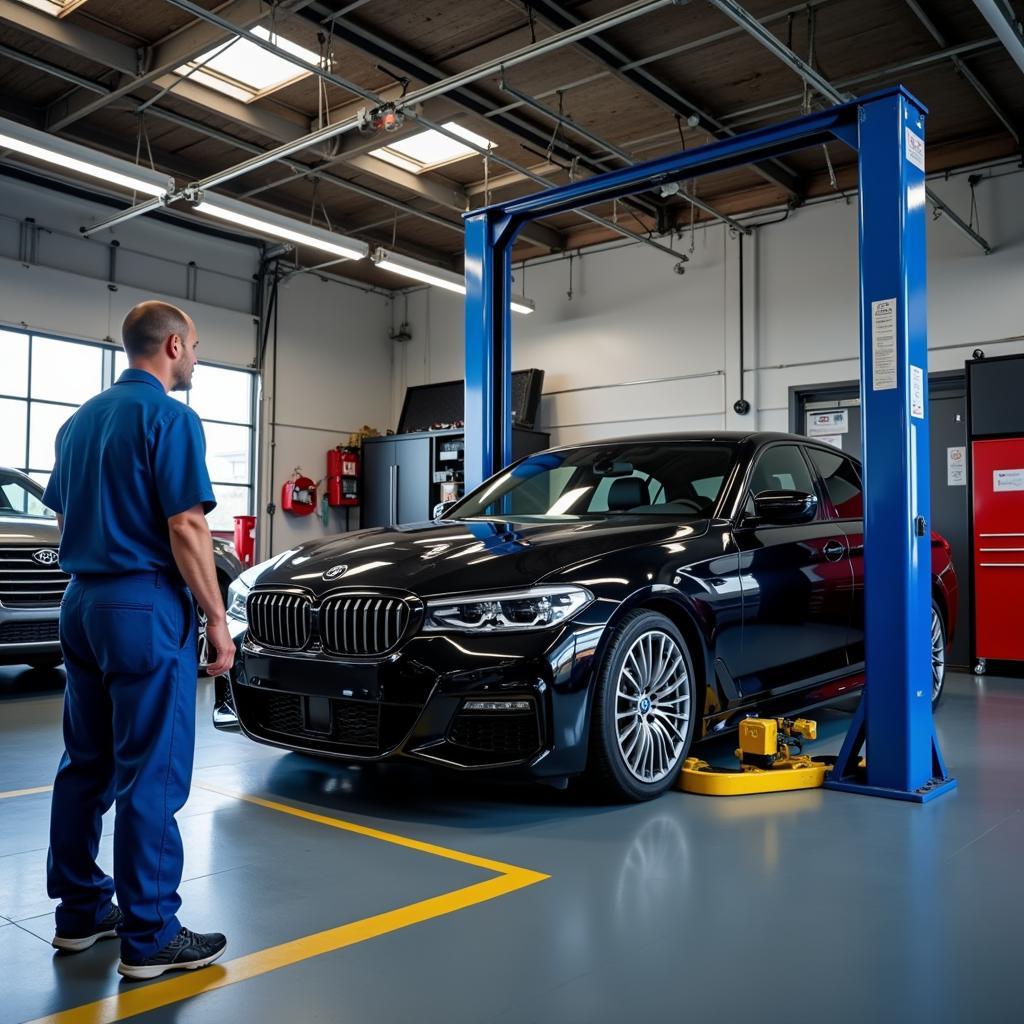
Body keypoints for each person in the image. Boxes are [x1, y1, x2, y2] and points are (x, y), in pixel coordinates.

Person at [42, 300, 235, 980]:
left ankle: (80, 912)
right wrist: (215, 616)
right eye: (197, 347)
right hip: (141, 604)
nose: (197, 359)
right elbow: (186, 526)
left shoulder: (79, 422)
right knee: (151, 769)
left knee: (86, 762)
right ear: (175, 345)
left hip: (82, 602)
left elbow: (66, 511)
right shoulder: (170, 416)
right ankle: (151, 936)